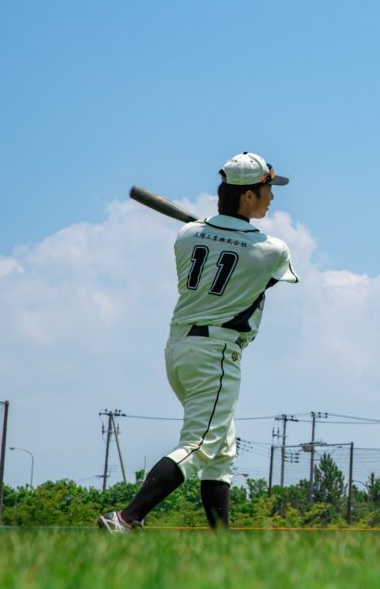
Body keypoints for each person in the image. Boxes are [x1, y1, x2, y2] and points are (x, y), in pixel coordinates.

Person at [98, 152, 298, 532]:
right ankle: (126, 517)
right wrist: (232, 241)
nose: (272, 196)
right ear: (248, 196)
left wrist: (220, 235)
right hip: (216, 354)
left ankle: (221, 545)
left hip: (178, 352)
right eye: (267, 189)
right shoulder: (272, 248)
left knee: (221, 450)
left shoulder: (187, 234)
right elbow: (268, 278)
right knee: (200, 444)